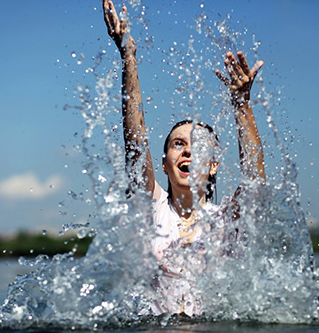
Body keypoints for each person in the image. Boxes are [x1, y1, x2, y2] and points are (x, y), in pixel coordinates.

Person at [102, 0, 266, 316]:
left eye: (199, 145)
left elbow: (255, 183)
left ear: (214, 163)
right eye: (178, 144)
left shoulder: (225, 220)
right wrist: (128, 58)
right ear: (164, 162)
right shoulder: (151, 210)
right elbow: (135, 144)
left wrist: (242, 106)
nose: (188, 150)